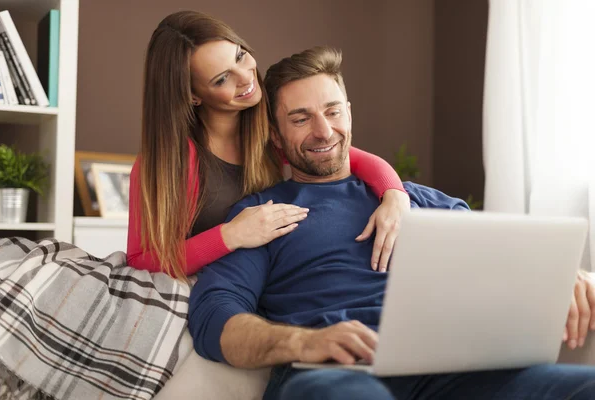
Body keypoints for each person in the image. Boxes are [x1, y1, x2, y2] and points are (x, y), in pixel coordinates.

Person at [188, 46, 595, 400]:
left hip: (455, 377)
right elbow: (213, 318)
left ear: (349, 113)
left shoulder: (418, 201)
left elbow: (502, 264)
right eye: (300, 119)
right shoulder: (262, 216)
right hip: (336, 376)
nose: (323, 130)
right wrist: (305, 341)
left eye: (332, 111)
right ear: (276, 137)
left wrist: (563, 278)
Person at [126, 11, 411, 281]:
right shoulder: (172, 160)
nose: (246, 77)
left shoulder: (265, 133)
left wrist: (395, 196)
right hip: (211, 294)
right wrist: (230, 235)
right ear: (192, 96)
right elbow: (140, 261)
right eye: (222, 78)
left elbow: (348, 155)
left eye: (240, 56)